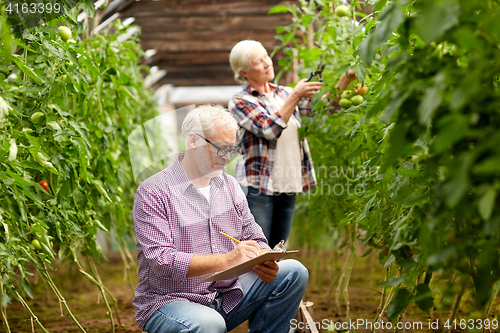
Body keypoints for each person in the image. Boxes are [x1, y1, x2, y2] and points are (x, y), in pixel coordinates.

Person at [132, 104, 308, 333]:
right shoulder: (154, 191)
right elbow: (162, 261)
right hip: (170, 301)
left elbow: (253, 235)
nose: (227, 158)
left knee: (294, 272)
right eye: (221, 149)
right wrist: (228, 259)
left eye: (232, 150)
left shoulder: (229, 186)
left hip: (225, 295)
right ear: (193, 140)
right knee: (208, 324)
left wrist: (264, 260)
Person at [228, 40, 356, 248]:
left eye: (266, 56)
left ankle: (277, 281)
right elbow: (269, 129)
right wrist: (296, 95)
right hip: (258, 187)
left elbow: (325, 109)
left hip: (288, 183)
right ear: (244, 72)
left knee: (277, 250)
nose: (267, 63)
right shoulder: (241, 101)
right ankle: (250, 282)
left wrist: (345, 80)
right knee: (258, 251)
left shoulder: (284, 93)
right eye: (259, 62)